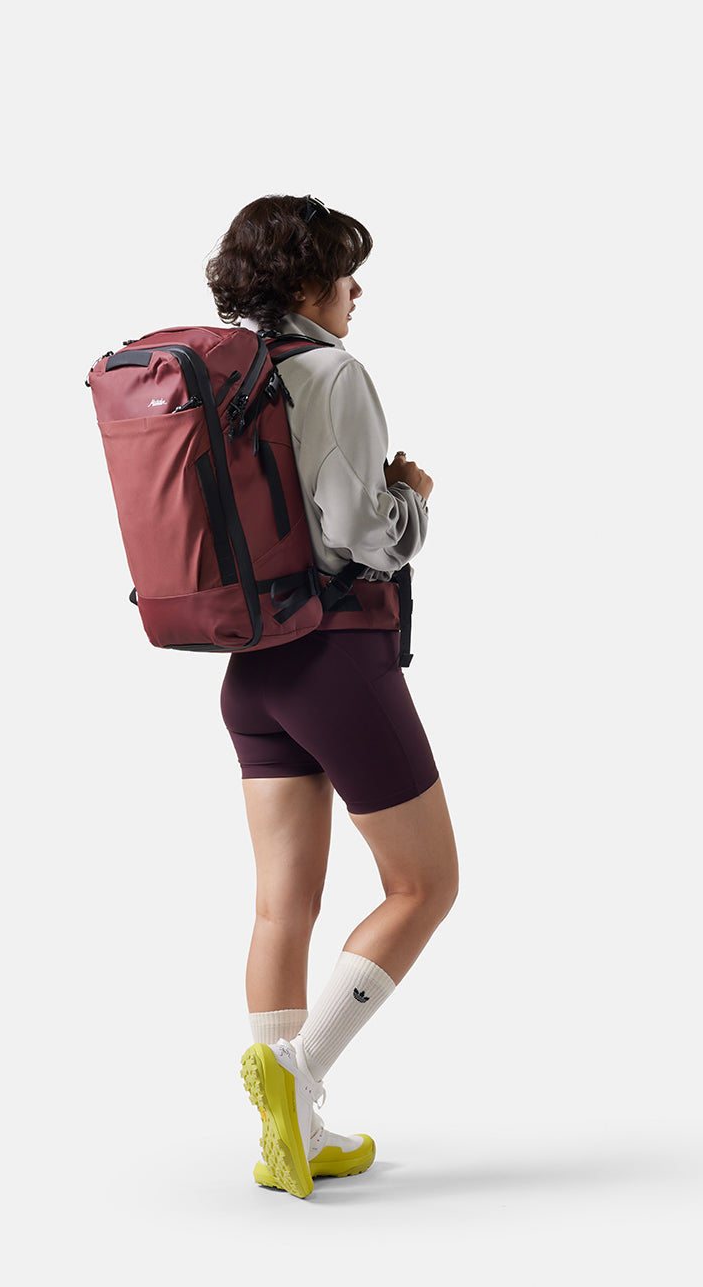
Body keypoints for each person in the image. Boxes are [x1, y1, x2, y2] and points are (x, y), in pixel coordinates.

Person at [206, 195, 458, 1198]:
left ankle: (294, 1139)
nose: (358, 293)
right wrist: (417, 503)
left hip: (250, 669)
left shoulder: (229, 376)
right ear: (308, 284)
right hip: (335, 659)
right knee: (424, 885)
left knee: (281, 907)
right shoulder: (331, 372)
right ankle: (296, 1073)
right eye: (347, 274)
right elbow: (358, 532)